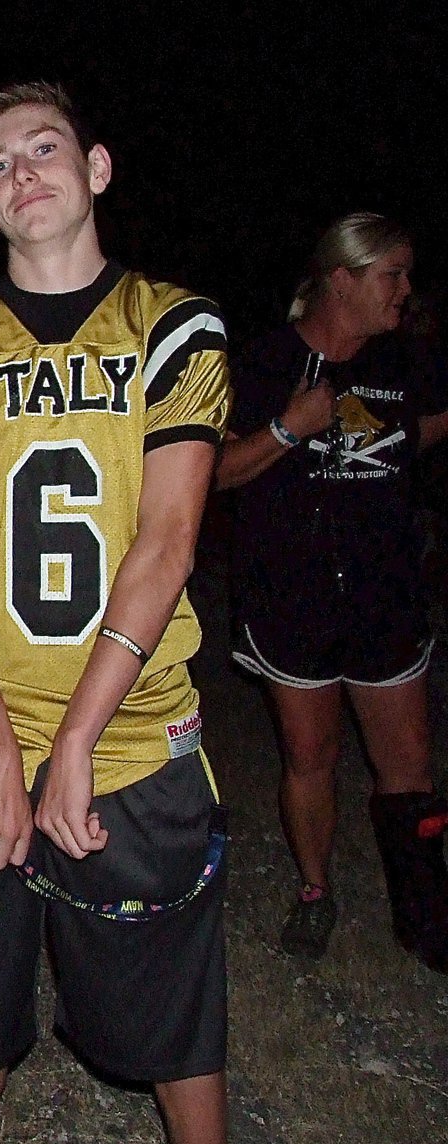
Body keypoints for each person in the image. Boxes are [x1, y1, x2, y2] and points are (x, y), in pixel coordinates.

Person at [0, 82, 230, 1144]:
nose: (23, 171)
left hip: (130, 735)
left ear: (96, 168)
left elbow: (167, 542)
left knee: (174, 1008)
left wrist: (75, 743)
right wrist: (1, 747)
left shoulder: (176, 327)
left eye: (45, 148)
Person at [216, 212, 448, 971]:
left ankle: (423, 909)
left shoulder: (405, 361)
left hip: (385, 598)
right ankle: (316, 891)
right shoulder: (264, 362)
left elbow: (422, 430)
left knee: (408, 765)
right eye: (393, 275)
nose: (406, 291)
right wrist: (288, 429)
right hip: (293, 600)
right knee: (309, 757)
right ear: (342, 279)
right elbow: (214, 473)